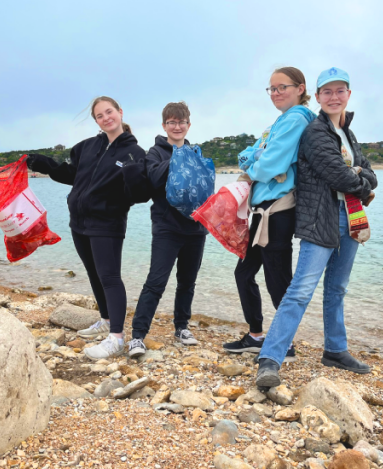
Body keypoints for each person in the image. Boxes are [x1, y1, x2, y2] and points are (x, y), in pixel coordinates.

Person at [256, 67, 377, 386]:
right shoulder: (315, 132)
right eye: (328, 92)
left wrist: (360, 177)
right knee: (300, 290)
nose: (334, 97)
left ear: (348, 95)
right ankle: (269, 358)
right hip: (320, 218)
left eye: (340, 91)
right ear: (318, 95)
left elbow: (369, 172)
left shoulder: (347, 134)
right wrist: (360, 179)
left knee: (337, 287)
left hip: (350, 217)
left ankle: (335, 350)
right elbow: (338, 175)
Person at [26, 96, 150, 360]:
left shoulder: (134, 153)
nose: (106, 118)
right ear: (96, 120)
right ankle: (105, 320)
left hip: (107, 223)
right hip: (79, 221)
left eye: (109, 112)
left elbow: (139, 195)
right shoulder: (88, 147)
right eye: (100, 116)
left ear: (120, 112)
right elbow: (73, 176)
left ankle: (116, 337)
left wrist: (132, 175)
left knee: (109, 277)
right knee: (93, 273)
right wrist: (45, 165)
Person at [221, 67, 317, 361]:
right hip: (261, 212)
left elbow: (270, 163)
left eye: (282, 87)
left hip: (278, 212)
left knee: (278, 279)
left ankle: (284, 344)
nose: (275, 93)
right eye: (271, 89)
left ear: (300, 88)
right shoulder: (281, 120)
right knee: (244, 273)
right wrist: (256, 158)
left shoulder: (297, 119)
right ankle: (255, 335)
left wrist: (255, 164)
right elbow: (247, 153)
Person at [127, 102, 209, 358]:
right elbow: (152, 179)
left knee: (187, 282)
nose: (177, 126)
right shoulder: (155, 152)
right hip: (167, 227)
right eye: (172, 122)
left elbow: (205, 186)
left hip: (196, 228)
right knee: (156, 282)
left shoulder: (196, 151)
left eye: (181, 122)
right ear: (164, 125)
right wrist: (178, 157)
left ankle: (182, 327)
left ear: (188, 125)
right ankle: (138, 336)